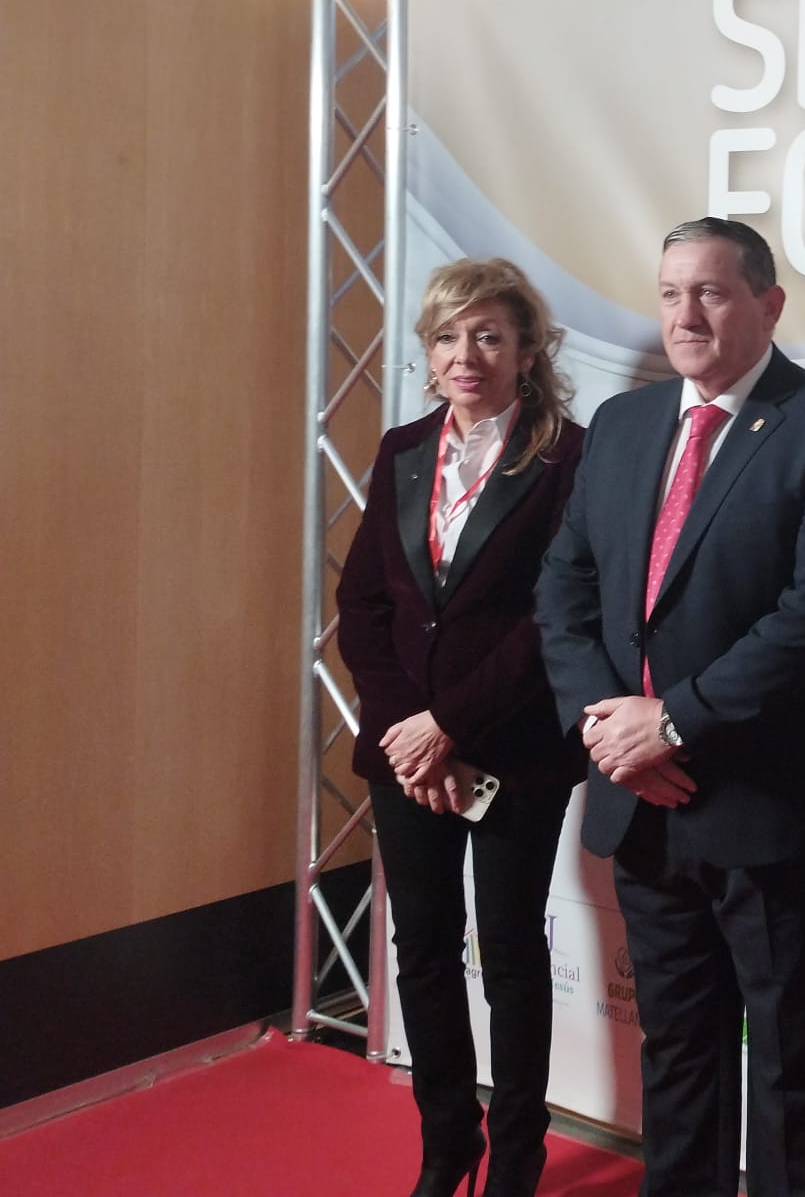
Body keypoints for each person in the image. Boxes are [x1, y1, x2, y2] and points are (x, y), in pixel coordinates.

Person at [536, 217, 805, 1197]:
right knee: (679, 1056)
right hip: (643, 804)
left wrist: (674, 722)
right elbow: (564, 588)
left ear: (769, 305)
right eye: (669, 294)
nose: (685, 315)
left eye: (712, 292)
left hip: (772, 810)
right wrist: (608, 730)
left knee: (793, 1066)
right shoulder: (623, 425)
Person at [336, 258, 586, 1197]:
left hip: (514, 752)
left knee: (513, 953)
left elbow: (555, 615)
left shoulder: (571, 454)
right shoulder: (403, 446)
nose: (465, 354)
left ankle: (519, 1156)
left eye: (488, 334)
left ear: (528, 348)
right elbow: (363, 601)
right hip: (407, 756)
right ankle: (449, 1148)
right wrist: (411, 728)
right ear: (428, 353)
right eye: (446, 336)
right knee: (424, 951)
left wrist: (451, 723)